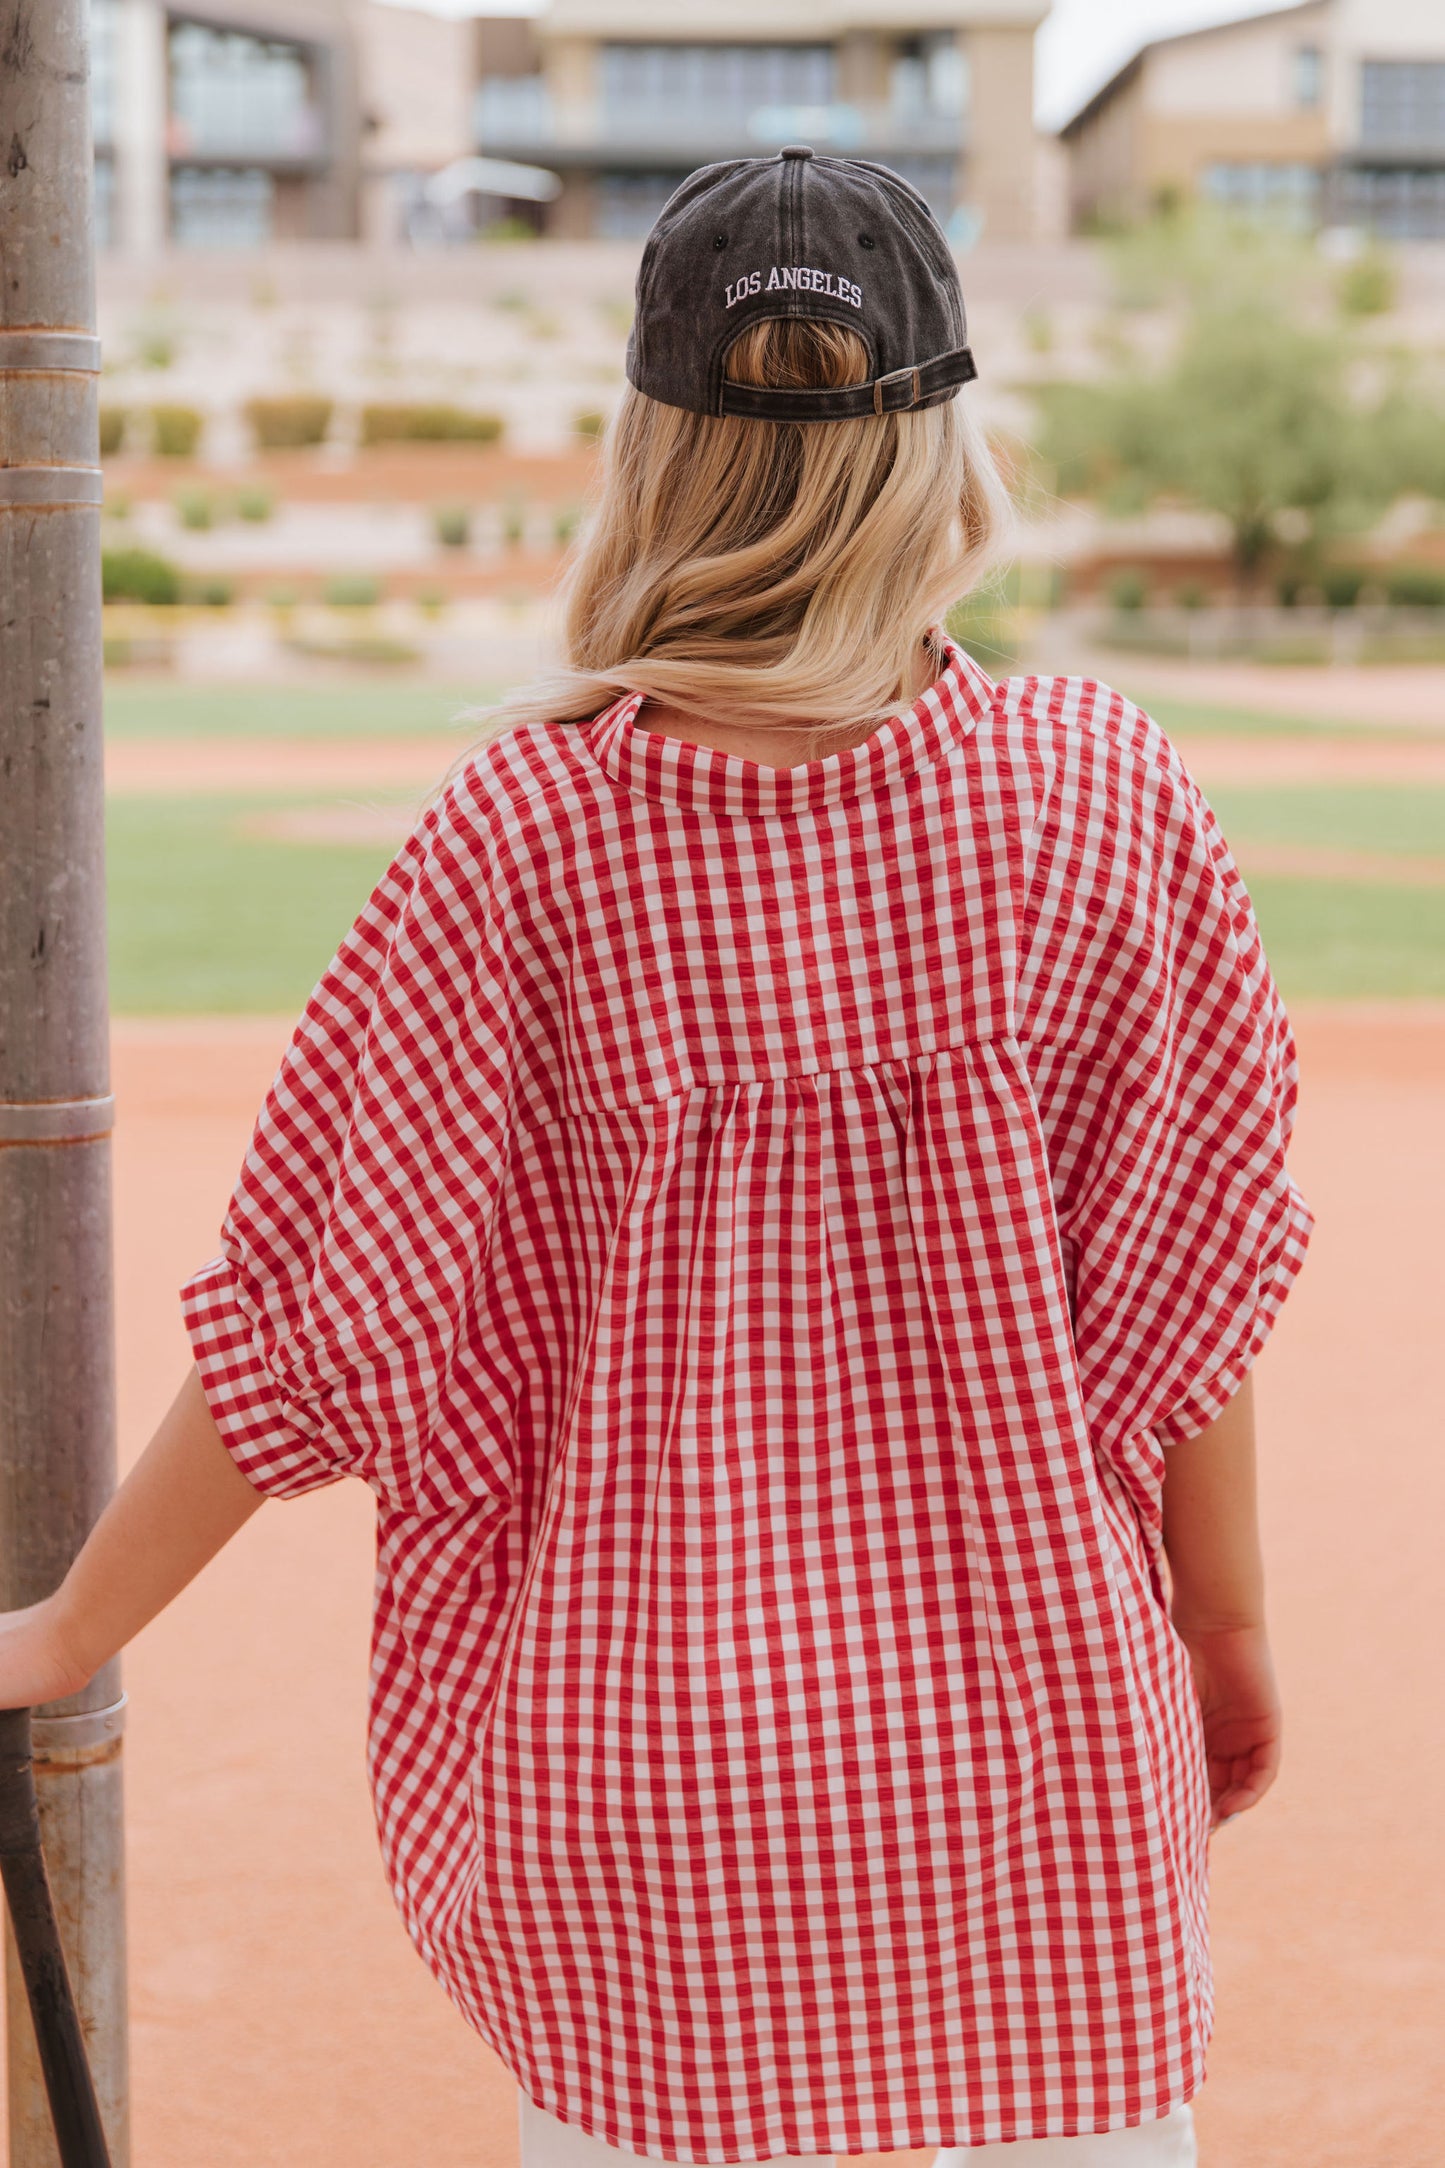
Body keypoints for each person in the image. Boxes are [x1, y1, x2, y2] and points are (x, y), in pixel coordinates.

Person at [0, 151, 1312, 2168]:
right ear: (940, 446)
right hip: (1037, 1797)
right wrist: (1222, 1632)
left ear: (651, 456)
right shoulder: (1098, 796)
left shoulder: (514, 842)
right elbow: (1188, 1289)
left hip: (648, 1837)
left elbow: (310, 1337)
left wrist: (69, 1629)